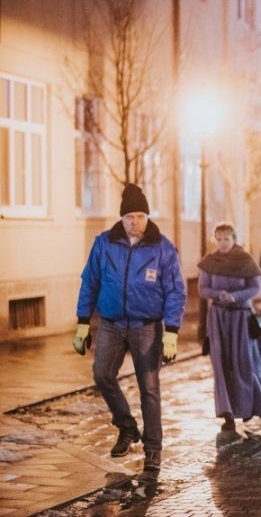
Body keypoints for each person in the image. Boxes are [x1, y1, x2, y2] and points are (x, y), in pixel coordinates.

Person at [73, 184, 186, 484]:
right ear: (121, 218)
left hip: (146, 326)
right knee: (102, 375)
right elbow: (90, 281)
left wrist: (171, 331)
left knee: (149, 389)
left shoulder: (162, 248)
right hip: (110, 323)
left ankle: (152, 451)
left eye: (140, 216)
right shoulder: (104, 244)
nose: (135, 222)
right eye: (129, 217)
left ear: (147, 216)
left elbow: (175, 290)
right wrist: (83, 321)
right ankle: (126, 426)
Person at [198, 222, 261, 432]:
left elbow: (255, 287)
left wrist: (235, 296)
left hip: (241, 318)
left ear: (234, 239)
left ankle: (249, 406)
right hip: (218, 318)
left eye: (227, 238)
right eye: (219, 239)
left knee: (244, 363)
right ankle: (228, 413)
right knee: (222, 364)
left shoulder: (245, 259)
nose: (223, 243)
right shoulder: (210, 261)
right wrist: (218, 295)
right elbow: (203, 288)